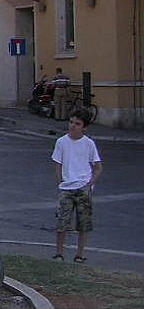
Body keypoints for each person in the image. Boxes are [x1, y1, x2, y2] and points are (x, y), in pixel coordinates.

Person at [51, 108, 103, 263]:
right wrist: (61, 182)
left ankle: (80, 254)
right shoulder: (61, 142)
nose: (73, 126)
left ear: (84, 127)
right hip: (67, 188)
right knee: (62, 222)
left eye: (77, 124)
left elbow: (98, 167)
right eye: (71, 122)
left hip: (83, 187)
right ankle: (59, 253)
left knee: (83, 223)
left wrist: (90, 184)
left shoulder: (89, 144)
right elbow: (58, 164)